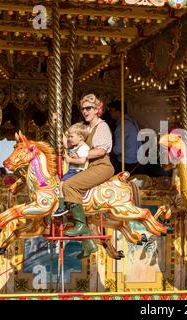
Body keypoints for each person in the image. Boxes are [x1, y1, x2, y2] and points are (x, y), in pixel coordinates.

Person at [56, 94, 115, 259]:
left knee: (69, 185)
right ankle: (87, 243)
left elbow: (101, 151)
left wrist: (81, 154)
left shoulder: (101, 127)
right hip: (89, 166)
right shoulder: (85, 128)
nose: (85, 111)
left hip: (101, 166)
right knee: (63, 187)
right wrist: (57, 125)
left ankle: (81, 226)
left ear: (97, 109)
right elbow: (68, 143)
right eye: (83, 109)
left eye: (89, 108)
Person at [53, 123, 90, 217]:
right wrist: (58, 125)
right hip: (72, 171)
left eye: (71, 136)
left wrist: (70, 160)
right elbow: (65, 143)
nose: (69, 138)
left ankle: (62, 206)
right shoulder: (75, 146)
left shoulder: (83, 147)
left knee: (62, 184)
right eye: (69, 136)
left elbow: (82, 160)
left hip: (78, 171)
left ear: (80, 137)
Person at [106, 100, 142, 175]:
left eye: (111, 110)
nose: (110, 112)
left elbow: (118, 150)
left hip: (126, 162)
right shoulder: (131, 121)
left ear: (118, 111)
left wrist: (107, 152)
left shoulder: (122, 126)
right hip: (135, 160)